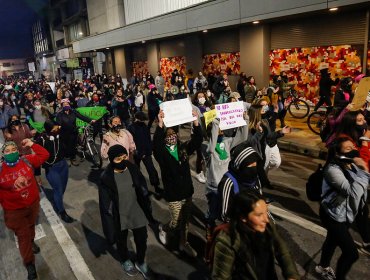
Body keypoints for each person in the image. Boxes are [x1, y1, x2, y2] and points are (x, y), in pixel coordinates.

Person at [212, 190, 300, 280]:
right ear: (243, 217)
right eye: (259, 215)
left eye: (266, 212)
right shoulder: (228, 241)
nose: (266, 219)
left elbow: (282, 250)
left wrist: (291, 275)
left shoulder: (267, 225)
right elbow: (221, 277)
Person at [316, 137, 369, 280]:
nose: (354, 150)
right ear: (339, 153)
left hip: (346, 213)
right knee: (351, 253)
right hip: (332, 215)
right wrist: (364, 170)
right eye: (348, 149)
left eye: (354, 147)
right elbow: (353, 192)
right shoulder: (332, 169)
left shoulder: (352, 164)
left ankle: (322, 267)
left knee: (332, 240)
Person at [153, 110, 202, 257]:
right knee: (176, 221)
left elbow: (197, 140)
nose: (172, 137)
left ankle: (183, 242)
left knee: (185, 221)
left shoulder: (183, 148)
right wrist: (160, 125)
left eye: (174, 134)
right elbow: (155, 145)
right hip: (173, 193)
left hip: (186, 191)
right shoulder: (162, 153)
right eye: (168, 135)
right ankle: (165, 229)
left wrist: (195, 122)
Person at [98, 145, 152, 278]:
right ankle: (125, 260)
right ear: (111, 160)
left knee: (142, 239)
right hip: (119, 214)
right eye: (118, 159)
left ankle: (140, 261)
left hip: (136, 210)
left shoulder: (133, 168)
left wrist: (147, 204)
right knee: (121, 241)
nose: (123, 161)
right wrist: (109, 226)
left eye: (124, 157)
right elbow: (105, 205)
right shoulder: (106, 178)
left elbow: (142, 187)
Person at [0, 139, 50, 280]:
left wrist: (32, 144)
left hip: (32, 205)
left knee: (31, 226)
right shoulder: (1, 170)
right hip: (15, 212)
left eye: (14, 150)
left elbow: (45, 155)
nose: (11, 153)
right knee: (23, 238)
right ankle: (30, 264)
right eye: (7, 151)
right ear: (3, 154)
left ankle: (32, 240)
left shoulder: (26, 160)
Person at [37, 120, 74, 223]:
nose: (57, 130)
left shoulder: (60, 135)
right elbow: (37, 158)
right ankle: (62, 212)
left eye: (58, 128)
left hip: (63, 165)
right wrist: (37, 175)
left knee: (62, 190)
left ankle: (58, 201)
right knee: (58, 189)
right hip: (52, 168)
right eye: (54, 129)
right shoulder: (41, 140)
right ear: (49, 129)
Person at [128, 111, 161, 194]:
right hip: (136, 152)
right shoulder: (131, 128)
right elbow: (131, 142)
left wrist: (149, 150)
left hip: (146, 152)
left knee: (151, 169)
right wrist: (138, 152)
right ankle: (138, 184)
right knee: (136, 169)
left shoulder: (144, 126)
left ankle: (156, 185)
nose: (144, 121)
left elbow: (148, 139)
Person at [56, 99, 94, 166]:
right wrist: (59, 126)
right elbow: (58, 123)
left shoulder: (73, 111)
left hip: (73, 132)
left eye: (67, 104)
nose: (66, 105)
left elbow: (81, 116)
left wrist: (90, 120)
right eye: (64, 104)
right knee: (66, 146)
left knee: (73, 146)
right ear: (62, 106)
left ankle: (73, 158)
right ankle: (67, 158)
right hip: (64, 133)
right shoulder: (60, 114)